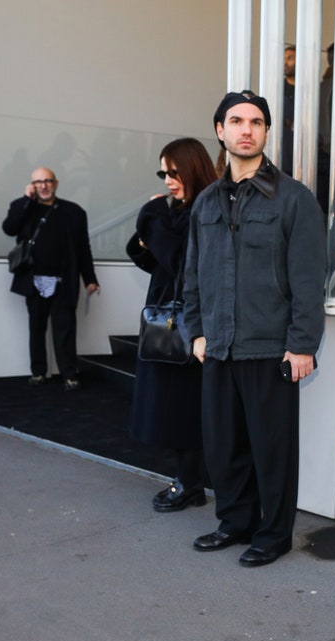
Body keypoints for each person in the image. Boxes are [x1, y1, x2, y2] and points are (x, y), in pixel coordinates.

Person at [183, 91, 326, 568]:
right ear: (220, 131)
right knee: (224, 448)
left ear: (266, 132)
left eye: (257, 122)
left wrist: (302, 345)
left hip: (270, 349)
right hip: (218, 347)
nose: (247, 129)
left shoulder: (294, 199)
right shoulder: (205, 202)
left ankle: (274, 534)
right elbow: (192, 274)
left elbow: (308, 280)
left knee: (272, 451)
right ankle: (235, 522)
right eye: (237, 121)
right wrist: (196, 332)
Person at [127, 139, 218, 512]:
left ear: (192, 167)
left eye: (173, 172)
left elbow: (177, 259)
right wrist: (153, 230)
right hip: (168, 316)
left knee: (184, 407)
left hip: (191, 322)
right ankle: (187, 480)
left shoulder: (204, 209)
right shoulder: (178, 210)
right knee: (174, 407)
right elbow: (152, 257)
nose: (167, 180)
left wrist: (152, 217)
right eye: (163, 173)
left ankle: (189, 483)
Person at [2, 167, 100, 390]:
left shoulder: (74, 212)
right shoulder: (23, 206)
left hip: (63, 281)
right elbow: (9, 228)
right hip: (33, 280)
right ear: (32, 185)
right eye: (38, 182)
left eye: (47, 181)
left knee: (65, 328)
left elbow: (83, 248)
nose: (43, 186)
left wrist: (90, 278)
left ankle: (69, 374)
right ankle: (38, 372)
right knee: (36, 328)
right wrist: (26, 200)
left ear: (56, 183)